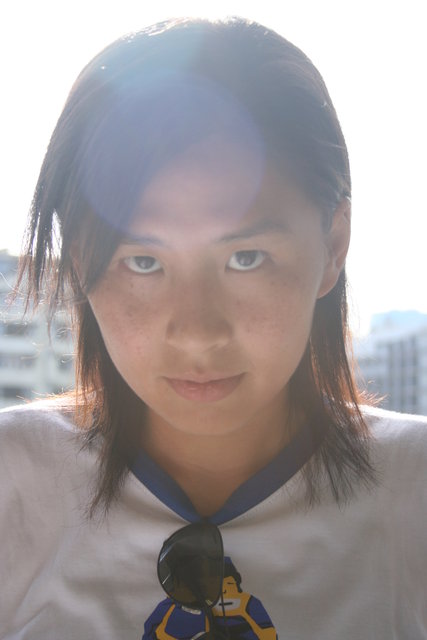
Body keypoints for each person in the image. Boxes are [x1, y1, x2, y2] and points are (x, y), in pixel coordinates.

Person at [0, 17, 426, 640]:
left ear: (333, 246)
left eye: (245, 258)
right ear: (80, 260)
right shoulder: (13, 482)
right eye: (142, 262)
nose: (198, 335)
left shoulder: (415, 494)